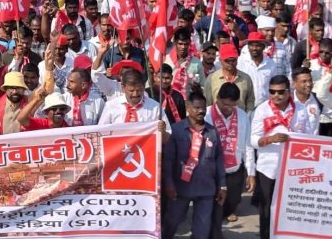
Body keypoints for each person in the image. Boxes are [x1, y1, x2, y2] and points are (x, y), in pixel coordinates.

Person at [250, 75, 311, 239]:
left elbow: (309, 135)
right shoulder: (262, 110)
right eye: (272, 92)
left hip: (293, 168)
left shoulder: (300, 109)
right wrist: (270, 139)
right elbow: (253, 140)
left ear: (288, 91)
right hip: (268, 168)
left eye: (280, 92)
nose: (276, 96)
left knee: (290, 208)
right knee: (267, 209)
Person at [162, 92, 226, 239]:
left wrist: (222, 185)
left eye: (203, 108)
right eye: (196, 108)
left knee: (202, 230)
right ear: (188, 108)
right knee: (172, 221)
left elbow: (219, 160)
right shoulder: (176, 130)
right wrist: (169, 184)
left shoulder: (212, 132)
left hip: (206, 189)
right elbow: (169, 160)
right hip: (181, 188)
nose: (201, 111)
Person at [206, 83, 255, 230]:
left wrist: (251, 173)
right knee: (214, 206)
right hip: (212, 170)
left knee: (233, 201)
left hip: (234, 169)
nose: (228, 109)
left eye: (232, 105)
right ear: (218, 98)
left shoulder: (242, 116)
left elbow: (248, 145)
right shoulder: (206, 115)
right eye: (225, 104)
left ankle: (224, 214)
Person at [98, 69, 170, 136]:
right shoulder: (111, 106)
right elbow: (101, 133)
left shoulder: (155, 107)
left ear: (144, 86)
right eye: (131, 91)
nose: (135, 94)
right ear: (123, 88)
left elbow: (167, 137)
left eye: (139, 90)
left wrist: (162, 132)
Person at [204, 43, 256, 113]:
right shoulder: (212, 78)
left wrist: (247, 116)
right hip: (217, 120)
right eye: (227, 61)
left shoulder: (246, 79)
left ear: (237, 59)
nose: (231, 63)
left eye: (233, 60)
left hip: (240, 120)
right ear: (220, 60)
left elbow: (250, 100)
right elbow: (207, 103)